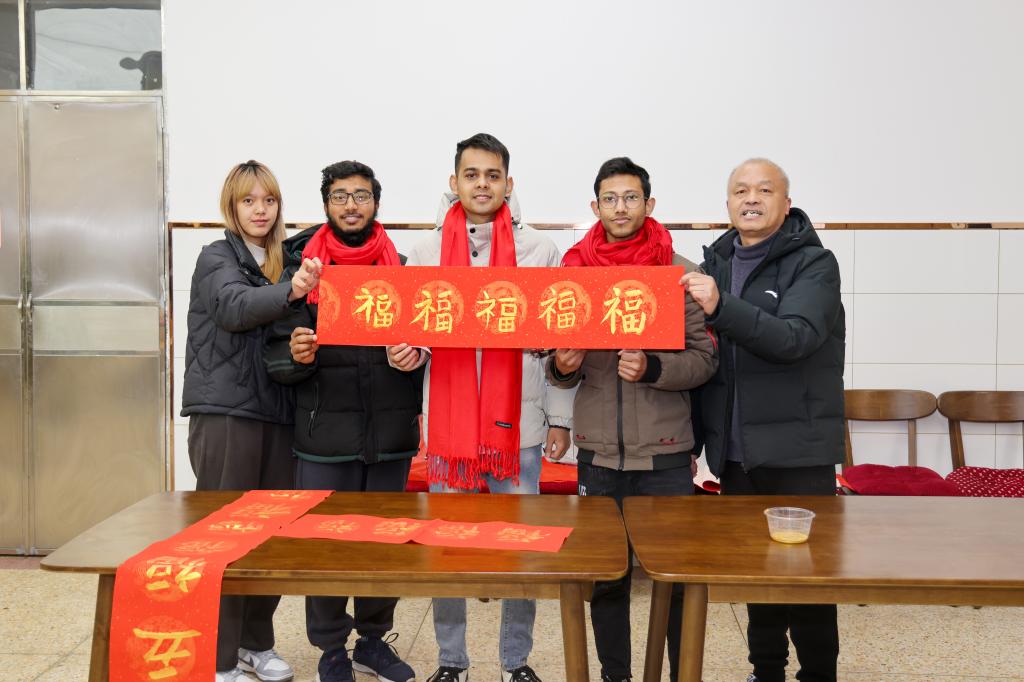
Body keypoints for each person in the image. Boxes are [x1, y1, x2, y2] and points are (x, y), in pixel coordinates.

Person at [392, 133, 574, 682]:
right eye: (471, 174)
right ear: (454, 182)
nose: (482, 184)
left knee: (522, 551)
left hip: (518, 427)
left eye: (493, 175)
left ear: (508, 184)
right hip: (451, 432)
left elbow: (558, 342)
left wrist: (560, 418)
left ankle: (516, 661)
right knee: (447, 547)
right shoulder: (424, 253)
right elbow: (416, 336)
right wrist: (406, 353)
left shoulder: (540, 251)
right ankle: (452, 661)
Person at [547, 157, 717, 682]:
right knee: (606, 579)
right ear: (595, 206)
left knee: (675, 580)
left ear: (649, 203)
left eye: (630, 197)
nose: (620, 208)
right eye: (610, 199)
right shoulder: (575, 275)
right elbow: (557, 367)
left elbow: (705, 360)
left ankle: (679, 673)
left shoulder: (678, 273)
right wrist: (563, 365)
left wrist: (653, 368)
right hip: (598, 455)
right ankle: (615, 674)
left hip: (665, 454)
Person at [681, 158, 845, 682]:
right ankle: (766, 670)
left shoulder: (814, 263)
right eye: (740, 190)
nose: (751, 198)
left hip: (798, 452)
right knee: (757, 575)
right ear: (728, 203)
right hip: (735, 454)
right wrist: (694, 439)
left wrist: (721, 306)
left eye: (764, 190)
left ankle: (818, 674)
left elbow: (795, 338)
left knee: (809, 579)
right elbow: (704, 362)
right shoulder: (715, 264)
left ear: (786, 203)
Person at [264, 161, 422, 682]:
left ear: (376, 203)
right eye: (340, 196)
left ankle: (373, 642)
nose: (351, 205)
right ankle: (331, 649)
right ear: (326, 204)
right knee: (325, 546)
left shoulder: (402, 268)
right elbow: (275, 356)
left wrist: (415, 356)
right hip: (323, 437)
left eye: (361, 195)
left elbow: (428, 341)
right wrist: (296, 355)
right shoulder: (301, 272)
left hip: (390, 435)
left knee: (384, 545)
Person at [181, 160, 321, 682]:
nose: (260, 210)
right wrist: (293, 290)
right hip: (226, 413)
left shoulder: (288, 261)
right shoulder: (216, 256)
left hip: (278, 414)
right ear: (232, 206)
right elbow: (234, 307)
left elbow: (289, 338)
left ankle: (254, 644)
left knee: (270, 535)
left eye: (269, 200)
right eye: (248, 201)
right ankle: (218, 658)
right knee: (224, 536)